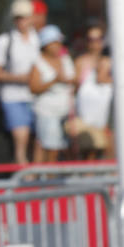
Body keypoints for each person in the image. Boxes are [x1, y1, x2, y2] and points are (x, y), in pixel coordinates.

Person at [0, 0, 42, 164]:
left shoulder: (40, 39)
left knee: (40, 140)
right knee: (21, 139)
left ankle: (39, 176)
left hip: (39, 96)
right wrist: (20, 78)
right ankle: (24, 177)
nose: (22, 21)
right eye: (18, 18)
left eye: (25, 17)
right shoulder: (3, 41)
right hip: (13, 97)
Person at [28, 24, 77, 162]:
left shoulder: (65, 59)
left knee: (66, 149)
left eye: (58, 42)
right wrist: (54, 80)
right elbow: (33, 87)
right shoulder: (38, 62)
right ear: (46, 44)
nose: (57, 45)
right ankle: (47, 181)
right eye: (54, 42)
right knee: (50, 149)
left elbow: (74, 79)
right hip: (47, 112)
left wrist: (69, 81)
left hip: (66, 112)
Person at [72, 23, 114, 160]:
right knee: (88, 154)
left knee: (108, 152)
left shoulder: (110, 61)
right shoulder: (80, 62)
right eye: (91, 39)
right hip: (86, 117)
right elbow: (74, 90)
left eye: (98, 39)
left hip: (107, 117)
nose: (95, 43)